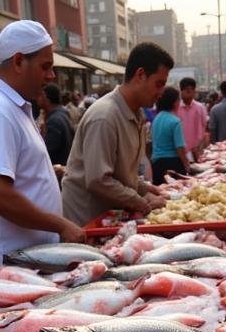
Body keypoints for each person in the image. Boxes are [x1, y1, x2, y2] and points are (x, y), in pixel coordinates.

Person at [0, 20, 85, 276]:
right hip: (5, 267)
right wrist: (60, 224)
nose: (51, 76)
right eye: (45, 66)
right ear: (18, 62)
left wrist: (44, 173)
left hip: (22, 262)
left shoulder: (10, 105)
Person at [63, 42, 173, 226]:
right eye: (159, 84)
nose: (161, 92)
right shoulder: (104, 117)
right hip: (86, 223)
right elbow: (99, 181)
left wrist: (145, 189)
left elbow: (123, 175)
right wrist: (143, 202)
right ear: (140, 75)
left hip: (111, 218)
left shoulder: (136, 114)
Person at [151, 85, 192, 183]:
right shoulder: (175, 121)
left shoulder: (156, 119)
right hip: (173, 164)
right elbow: (180, 148)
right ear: (174, 103)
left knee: (161, 193)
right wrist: (187, 165)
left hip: (157, 164)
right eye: (179, 100)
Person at [39, 83, 74, 166]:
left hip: (57, 171)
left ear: (45, 97)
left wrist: (41, 135)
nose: (37, 98)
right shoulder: (63, 114)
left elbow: (46, 152)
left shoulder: (54, 121)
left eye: (39, 95)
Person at [175, 76, 209, 161]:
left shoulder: (200, 107)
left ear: (194, 91)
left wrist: (202, 147)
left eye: (191, 89)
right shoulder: (176, 108)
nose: (188, 92)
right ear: (181, 91)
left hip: (197, 151)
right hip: (180, 152)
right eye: (186, 89)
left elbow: (204, 128)